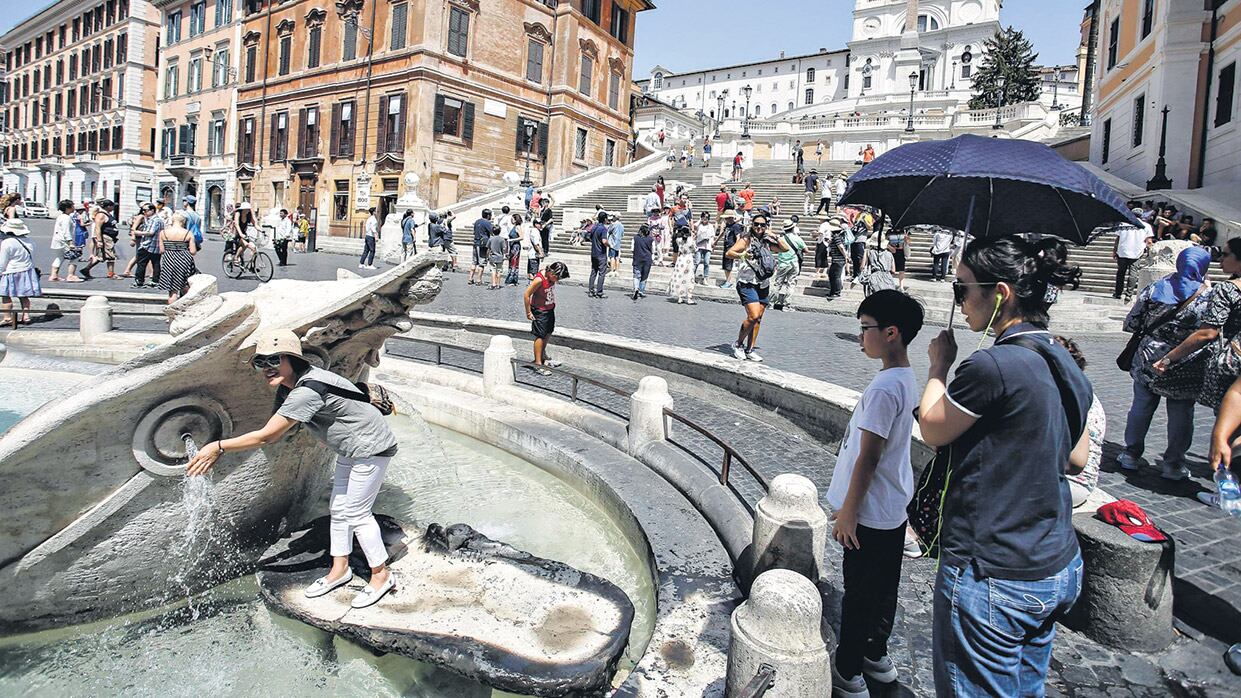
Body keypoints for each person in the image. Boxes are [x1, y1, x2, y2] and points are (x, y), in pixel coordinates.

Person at [917, 235, 1092, 696]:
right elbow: (1078, 457)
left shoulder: (994, 365)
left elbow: (933, 428)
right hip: (1055, 561)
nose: (960, 301)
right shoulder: (1064, 357)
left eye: (963, 290)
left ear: (1002, 293)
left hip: (993, 566)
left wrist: (939, 367)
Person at [186, 330, 399, 608]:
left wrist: (218, 446)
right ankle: (340, 569)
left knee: (357, 512)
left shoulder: (306, 390)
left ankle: (381, 576)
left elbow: (267, 436)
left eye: (273, 360)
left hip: (371, 448)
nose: (267, 368)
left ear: (292, 359)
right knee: (338, 508)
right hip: (351, 447)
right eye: (260, 362)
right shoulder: (295, 385)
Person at [828, 289, 923, 697]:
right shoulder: (904, 376)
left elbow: (868, 458)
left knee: (860, 594)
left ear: (891, 333)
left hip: (869, 510)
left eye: (865, 328)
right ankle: (875, 653)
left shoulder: (885, 388)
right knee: (884, 588)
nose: (860, 336)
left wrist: (848, 512)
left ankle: (848, 671)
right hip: (891, 506)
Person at [1120, 246, 1214, 480]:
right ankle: (1173, 464)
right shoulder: (1207, 296)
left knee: (1141, 405)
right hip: (1185, 360)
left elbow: (1132, 322)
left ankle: (1131, 454)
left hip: (1148, 357)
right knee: (1182, 412)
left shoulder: (1156, 288)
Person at [1151, 238, 1241, 413]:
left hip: (1234, 364)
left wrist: (1168, 359)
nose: (1220, 260)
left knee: (1228, 424)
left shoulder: (1227, 289)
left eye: (1225, 254)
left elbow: (1207, 333)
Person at [726, 212, 788, 362]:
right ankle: (738, 344)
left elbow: (785, 249)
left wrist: (773, 234)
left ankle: (750, 349)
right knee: (753, 316)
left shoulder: (767, 241)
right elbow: (729, 253)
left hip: (763, 283)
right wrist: (743, 256)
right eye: (756, 224)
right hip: (747, 282)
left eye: (762, 225)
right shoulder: (746, 239)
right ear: (752, 225)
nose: (759, 227)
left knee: (758, 318)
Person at [1054, 335, 1106, 508]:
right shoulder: (1082, 392)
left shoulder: (1070, 399)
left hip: (1071, 483)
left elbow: (1073, 463)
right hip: (1071, 479)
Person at [523, 261, 569, 375]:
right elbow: (526, 294)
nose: (557, 281)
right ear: (551, 273)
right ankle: (538, 363)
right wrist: (528, 312)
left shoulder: (550, 275)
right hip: (540, 311)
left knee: (548, 332)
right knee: (540, 335)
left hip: (549, 308)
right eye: (557, 278)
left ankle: (543, 356)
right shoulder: (539, 280)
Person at [0, 218, 41, 329]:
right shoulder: (30, 241)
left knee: (6, 296)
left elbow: (3, 261)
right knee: (24, 296)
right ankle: (26, 316)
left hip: (11, 271)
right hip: (27, 270)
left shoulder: (7, 243)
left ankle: (7, 317)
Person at [158, 211, 199, 303]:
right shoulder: (188, 233)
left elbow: (161, 250)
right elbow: (193, 252)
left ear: (172, 221)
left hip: (169, 259)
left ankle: (172, 310)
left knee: (173, 291)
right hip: (184, 260)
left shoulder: (163, 233)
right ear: (183, 222)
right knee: (186, 286)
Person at [771, 219, 806, 312]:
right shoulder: (797, 238)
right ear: (793, 228)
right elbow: (806, 250)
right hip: (793, 263)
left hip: (782, 263)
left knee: (777, 284)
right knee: (791, 284)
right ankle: (787, 305)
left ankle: (771, 303)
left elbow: (774, 249)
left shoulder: (780, 239)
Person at [80, 199, 120, 280]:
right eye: (112, 206)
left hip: (110, 237)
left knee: (101, 257)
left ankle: (86, 269)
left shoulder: (108, 214)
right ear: (108, 206)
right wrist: (99, 241)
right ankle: (111, 274)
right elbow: (98, 228)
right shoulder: (101, 215)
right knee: (111, 256)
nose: (113, 207)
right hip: (106, 238)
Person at [1113, 221, 1151, 299]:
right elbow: (1148, 241)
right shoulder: (1146, 225)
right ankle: (1128, 294)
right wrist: (1148, 251)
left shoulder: (1123, 225)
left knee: (1121, 273)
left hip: (1123, 251)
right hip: (1137, 252)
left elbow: (1118, 239)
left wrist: (1114, 250)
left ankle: (1118, 293)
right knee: (1133, 273)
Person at [133, 203, 163, 289]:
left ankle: (139, 281)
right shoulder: (159, 220)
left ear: (152, 210)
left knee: (142, 263)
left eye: (145, 210)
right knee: (156, 263)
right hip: (156, 245)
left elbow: (150, 232)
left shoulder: (154, 220)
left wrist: (138, 232)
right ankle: (155, 280)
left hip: (148, 244)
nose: (143, 212)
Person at [48, 199, 79, 282]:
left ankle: (54, 275)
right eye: (72, 206)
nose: (74, 207)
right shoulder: (67, 218)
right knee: (74, 257)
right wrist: (71, 242)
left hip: (57, 240)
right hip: (64, 241)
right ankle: (71, 275)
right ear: (68, 208)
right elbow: (66, 231)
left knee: (59, 257)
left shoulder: (61, 217)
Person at [667, 225, 697, 305]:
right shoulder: (690, 240)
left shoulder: (678, 240)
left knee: (679, 277)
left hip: (680, 259)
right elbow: (694, 249)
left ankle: (680, 297)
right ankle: (689, 298)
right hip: (688, 259)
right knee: (689, 278)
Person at [586, 210, 610, 298]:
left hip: (593, 253)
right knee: (601, 273)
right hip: (601, 254)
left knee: (593, 272)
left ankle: (591, 291)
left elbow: (589, 237)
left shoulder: (594, 227)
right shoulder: (603, 229)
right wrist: (609, 245)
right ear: (604, 219)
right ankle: (599, 292)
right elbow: (604, 241)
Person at [469, 209, 495, 285]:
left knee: (474, 262)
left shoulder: (477, 221)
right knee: (481, 263)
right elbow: (493, 232)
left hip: (475, 242)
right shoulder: (487, 222)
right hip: (483, 245)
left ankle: (470, 278)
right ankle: (478, 280)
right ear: (488, 215)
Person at [718, 210, 743, 289]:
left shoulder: (736, 226)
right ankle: (727, 280)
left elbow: (738, 237)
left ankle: (729, 282)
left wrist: (736, 248)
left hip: (731, 247)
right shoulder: (727, 226)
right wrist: (716, 241)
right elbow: (722, 234)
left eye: (727, 218)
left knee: (728, 265)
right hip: (726, 246)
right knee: (725, 265)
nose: (726, 220)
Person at [631, 223, 654, 300]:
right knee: (644, 276)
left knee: (636, 275)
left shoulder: (635, 238)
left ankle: (636, 289)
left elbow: (632, 249)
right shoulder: (651, 239)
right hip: (647, 259)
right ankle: (641, 291)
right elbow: (653, 250)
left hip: (637, 258)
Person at [694, 212, 716, 284]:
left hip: (707, 246)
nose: (705, 219)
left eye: (706, 217)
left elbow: (712, 236)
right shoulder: (699, 225)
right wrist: (700, 220)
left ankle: (705, 278)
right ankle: (692, 276)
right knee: (697, 262)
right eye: (703, 217)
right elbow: (694, 226)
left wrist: (713, 244)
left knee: (706, 262)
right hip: (699, 245)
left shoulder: (711, 226)